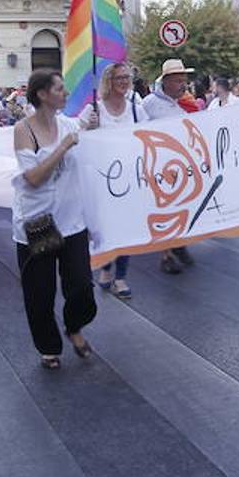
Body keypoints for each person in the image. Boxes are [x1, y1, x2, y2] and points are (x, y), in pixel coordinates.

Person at [11, 69, 97, 368]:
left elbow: (87, 130)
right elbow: (33, 177)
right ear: (42, 94)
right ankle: (49, 347)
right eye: (59, 88)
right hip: (40, 223)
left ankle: (74, 325)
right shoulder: (24, 130)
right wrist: (62, 147)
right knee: (41, 292)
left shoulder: (68, 123)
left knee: (82, 285)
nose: (66, 93)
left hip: (72, 221)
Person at [143, 59, 197, 273]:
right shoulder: (149, 103)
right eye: (177, 81)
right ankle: (166, 255)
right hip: (159, 168)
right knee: (165, 211)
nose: (182, 85)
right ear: (165, 82)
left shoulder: (183, 104)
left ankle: (179, 244)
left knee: (182, 208)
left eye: (184, 81)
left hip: (181, 168)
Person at [94, 62, 141, 299]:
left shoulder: (136, 109)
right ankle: (105, 267)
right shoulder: (96, 109)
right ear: (108, 81)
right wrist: (89, 128)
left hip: (130, 179)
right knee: (106, 228)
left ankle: (120, 276)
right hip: (103, 180)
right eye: (119, 77)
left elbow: (148, 137)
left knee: (125, 229)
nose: (124, 81)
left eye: (127, 77)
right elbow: (77, 136)